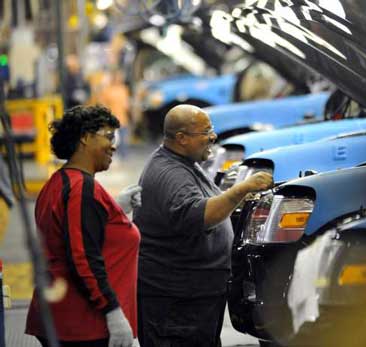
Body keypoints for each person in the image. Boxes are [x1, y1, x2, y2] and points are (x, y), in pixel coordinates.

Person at [134, 104, 273, 347]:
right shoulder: (171, 173)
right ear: (181, 138)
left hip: (191, 297)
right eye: (205, 132)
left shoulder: (182, 161)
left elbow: (207, 202)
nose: (213, 136)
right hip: (177, 303)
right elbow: (200, 215)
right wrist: (243, 188)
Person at [25, 105, 141, 347]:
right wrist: (112, 312)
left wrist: (112, 210)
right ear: (86, 138)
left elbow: (69, 230)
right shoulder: (81, 189)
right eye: (108, 136)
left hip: (62, 318)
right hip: (83, 324)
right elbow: (83, 257)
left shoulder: (59, 182)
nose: (114, 145)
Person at [97, 69, 130, 159]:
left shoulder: (124, 89)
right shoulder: (107, 90)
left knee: (123, 142)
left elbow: (126, 105)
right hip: (112, 121)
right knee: (113, 141)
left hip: (123, 120)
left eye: (120, 77)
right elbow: (102, 104)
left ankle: (123, 160)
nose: (119, 79)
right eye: (117, 77)